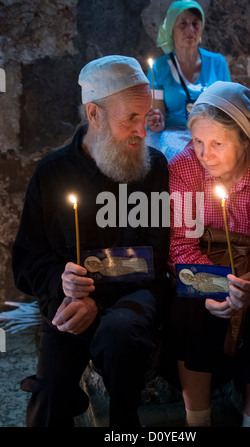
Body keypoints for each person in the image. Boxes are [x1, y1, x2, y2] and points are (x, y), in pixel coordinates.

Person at [12, 55, 170, 427]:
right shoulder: (51, 173)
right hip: (69, 303)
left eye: (145, 117)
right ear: (94, 114)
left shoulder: (154, 167)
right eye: (131, 118)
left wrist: (94, 297)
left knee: (121, 334)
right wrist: (61, 281)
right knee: (48, 396)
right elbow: (27, 260)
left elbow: (155, 256)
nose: (143, 131)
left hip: (133, 297)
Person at [166, 81, 250, 427]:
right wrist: (213, 285)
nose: (203, 154)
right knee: (188, 303)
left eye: (217, 143)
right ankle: (198, 420)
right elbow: (181, 245)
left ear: (246, 141)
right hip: (204, 266)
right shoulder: (184, 168)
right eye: (197, 141)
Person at [146, 0, 231, 160]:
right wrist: (156, 122)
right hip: (174, 137)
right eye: (183, 24)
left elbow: (228, 108)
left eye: (195, 24)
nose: (190, 30)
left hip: (210, 135)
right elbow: (159, 118)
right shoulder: (159, 68)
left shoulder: (217, 63)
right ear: (171, 29)